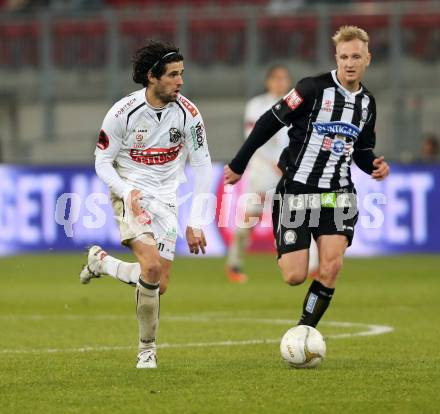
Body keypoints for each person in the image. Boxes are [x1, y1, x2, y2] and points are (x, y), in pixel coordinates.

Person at [224, 26, 389, 329]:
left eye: (356, 56)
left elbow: (362, 150)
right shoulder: (312, 89)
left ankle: (304, 330)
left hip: (337, 194)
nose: (349, 63)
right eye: (343, 57)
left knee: (331, 266)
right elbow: (269, 121)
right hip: (297, 191)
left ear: (368, 58)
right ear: (336, 58)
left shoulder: (368, 104)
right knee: (294, 275)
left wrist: (374, 165)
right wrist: (239, 162)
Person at [79, 40, 212, 368]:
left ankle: (102, 263)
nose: (181, 81)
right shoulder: (122, 113)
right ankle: (146, 350)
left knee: (158, 283)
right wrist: (126, 191)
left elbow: (203, 165)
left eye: (182, 74)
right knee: (151, 268)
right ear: (152, 77)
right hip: (131, 194)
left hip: (167, 199)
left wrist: (196, 220)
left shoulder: (188, 114)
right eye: (173, 75)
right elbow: (102, 162)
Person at [225, 64, 319, 283]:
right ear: (268, 82)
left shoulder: (299, 105)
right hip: (262, 172)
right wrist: (274, 162)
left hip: (290, 171)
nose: (280, 82)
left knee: (302, 216)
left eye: (284, 78)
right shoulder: (256, 105)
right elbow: (254, 138)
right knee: (249, 219)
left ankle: (312, 266)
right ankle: (234, 264)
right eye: (276, 78)